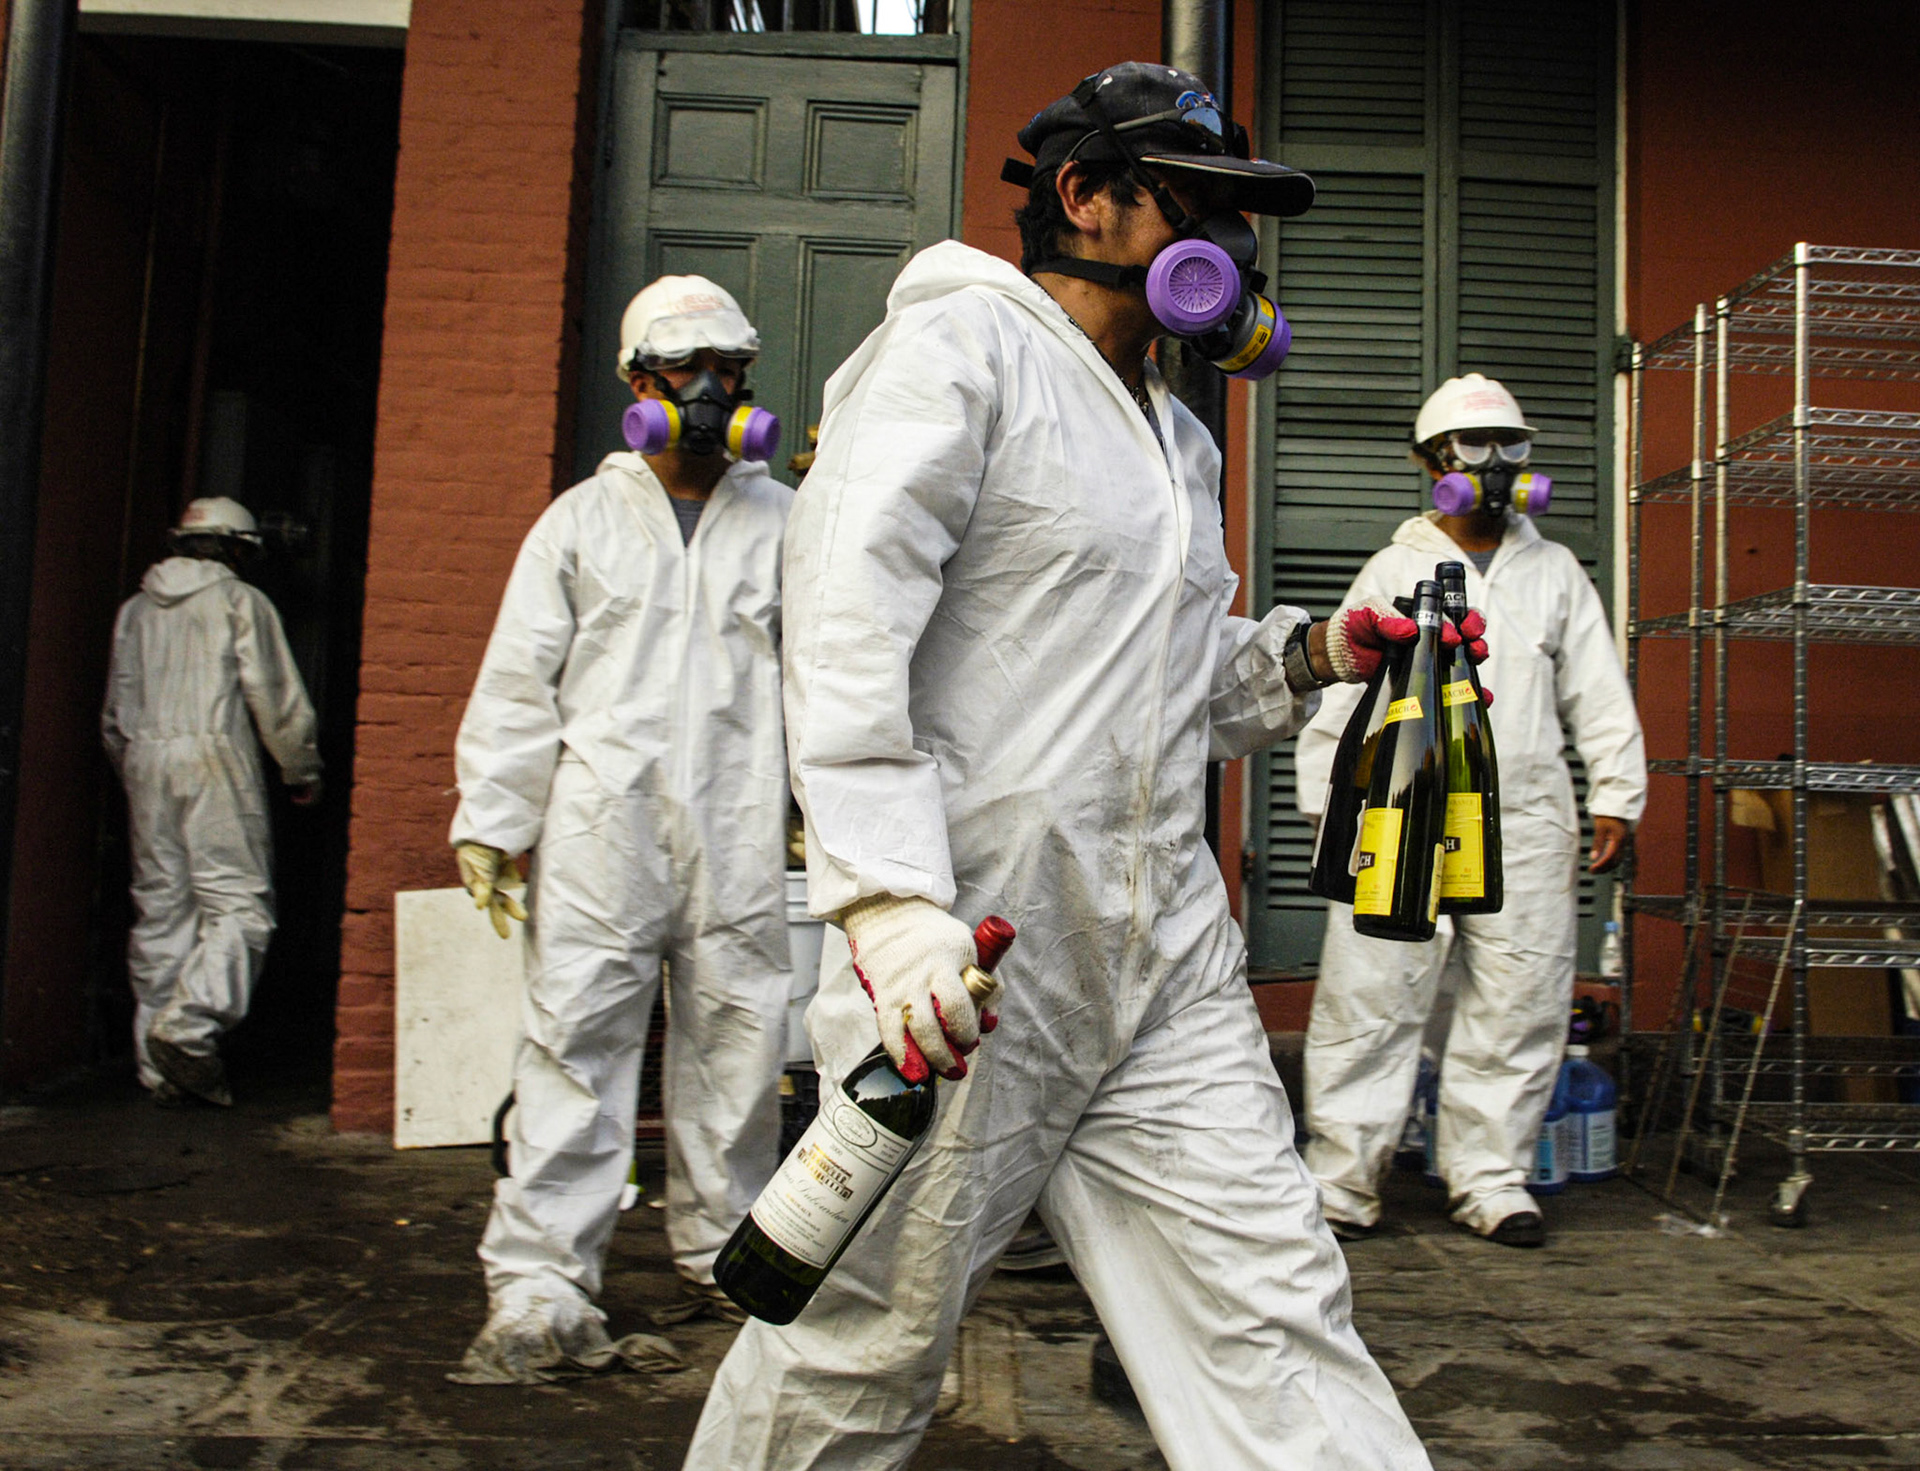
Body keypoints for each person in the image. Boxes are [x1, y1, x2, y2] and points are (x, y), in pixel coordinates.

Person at [684, 63, 1436, 1470]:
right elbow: (843, 620)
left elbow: (1167, 689)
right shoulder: (958, 353)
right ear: (1084, 196)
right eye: (1196, 203)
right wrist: (887, 903)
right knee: (862, 1342)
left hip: (1159, 951)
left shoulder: (1175, 434)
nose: (1228, 241)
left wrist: (1323, 648)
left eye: (1237, 212)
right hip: (968, 959)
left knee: (1274, 1310)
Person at [448, 276, 794, 1384]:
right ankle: (544, 1277)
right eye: (681, 372)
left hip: (740, 823)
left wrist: (823, 812)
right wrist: (494, 820)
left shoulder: (789, 523)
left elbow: (836, 675)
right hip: (602, 827)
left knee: (740, 1042)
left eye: (724, 372)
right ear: (637, 388)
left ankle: (724, 1250)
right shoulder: (581, 522)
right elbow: (518, 681)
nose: (705, 393)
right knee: (576, 1041)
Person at [1296, 373, 1648, 1248]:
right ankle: (1342, 1180)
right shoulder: (1394, 569)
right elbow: (1342, 693)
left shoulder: (1556, 571)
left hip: (1524, 818)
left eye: (1511, 445)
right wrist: (1325, 807)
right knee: (1371, 994)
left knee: (1518, 996)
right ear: (1434, 464)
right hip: (1399, 809)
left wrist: (1616, 791)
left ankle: (1490, 1178)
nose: (1496, 465)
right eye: (1474, 447)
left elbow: (1597, 690)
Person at [102, 496, 322, 1108]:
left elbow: (115, 716)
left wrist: (137, 774)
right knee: (238, 906)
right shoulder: (239, 602)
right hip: (214, 757)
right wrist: (299, 766)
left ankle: (159, 1068)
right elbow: (275, 696)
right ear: (235, 548)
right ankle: (191, 1026)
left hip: (146, 760)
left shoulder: (136, 612)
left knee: (162, 910)